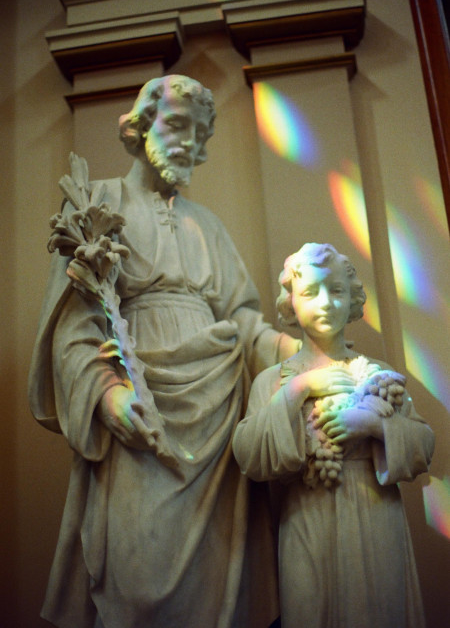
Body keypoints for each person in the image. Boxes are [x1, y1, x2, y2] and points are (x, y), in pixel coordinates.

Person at [28, 75, 299, 628]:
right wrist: (108, 398)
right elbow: (73, 327)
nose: (189, 144)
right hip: (140, 406)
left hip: (218, 415)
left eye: (200, 134)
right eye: (177, 124)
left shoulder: (210, 227)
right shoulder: (95, 202)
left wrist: (301, 350)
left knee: (221, 584)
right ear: (142, 125)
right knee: (139, 580)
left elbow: (245, 323)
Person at [232, 242, 435, 628]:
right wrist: (299, 389)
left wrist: (374, 426)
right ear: (291, 302)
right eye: (310, 292)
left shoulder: (377, 374)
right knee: (311, 610)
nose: (324, 302)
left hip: (377, 517)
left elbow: (423, 443)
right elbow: (248, 453)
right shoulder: (274, 380)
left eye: (336, 290)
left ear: (353, 298)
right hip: (308, 517)